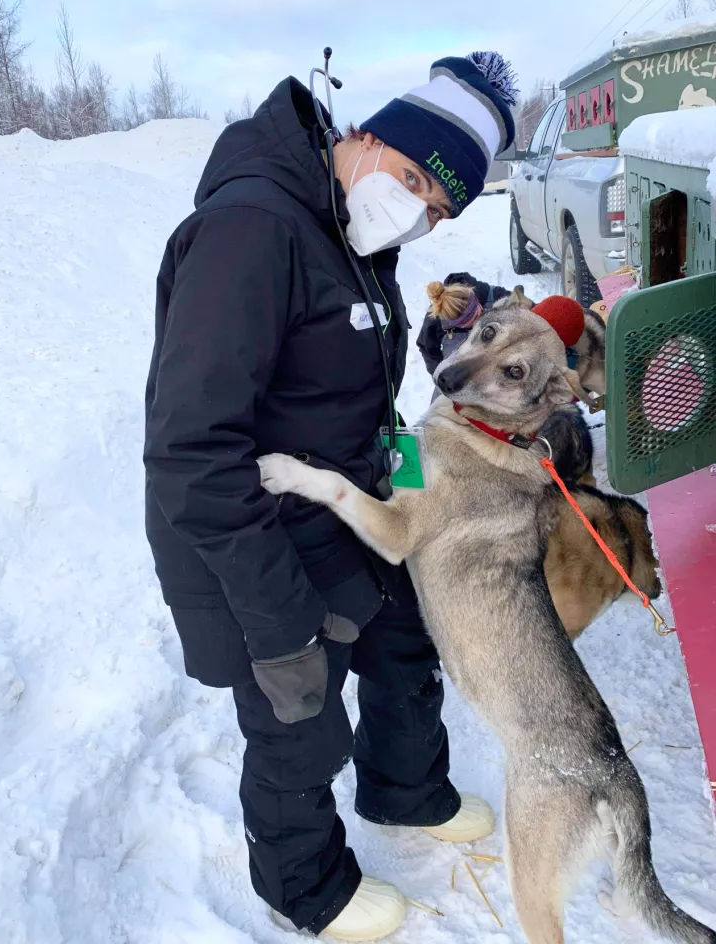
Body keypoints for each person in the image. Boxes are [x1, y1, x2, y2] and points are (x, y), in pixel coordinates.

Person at [143, 52, 518, 941]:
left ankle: (405, 788)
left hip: (337, 502)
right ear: (365, 136)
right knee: (298, 712)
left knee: (404, 637)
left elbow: (358, 386)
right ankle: (303, 882)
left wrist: (421, 493)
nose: (418, 212)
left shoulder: (353, 233)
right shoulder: (251, 230)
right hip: (253, 535)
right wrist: (277, 622)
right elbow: (191, 452)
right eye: (416, 178)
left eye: (439, 209)